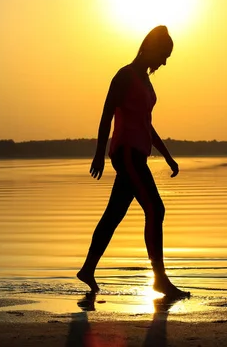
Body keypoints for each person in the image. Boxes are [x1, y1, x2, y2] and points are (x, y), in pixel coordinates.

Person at [77, 25, 190, 298]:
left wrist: (167, 156)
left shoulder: (145, 81)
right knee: (156, 209)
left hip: (138, 154)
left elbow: (146, 125)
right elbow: (106, 115)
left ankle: (88, 269)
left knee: (114, 214)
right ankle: (160, 280)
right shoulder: (125, 76)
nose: (164, 62)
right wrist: (99, 154)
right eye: (164, 55)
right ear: (151, 49)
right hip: (126, 153)